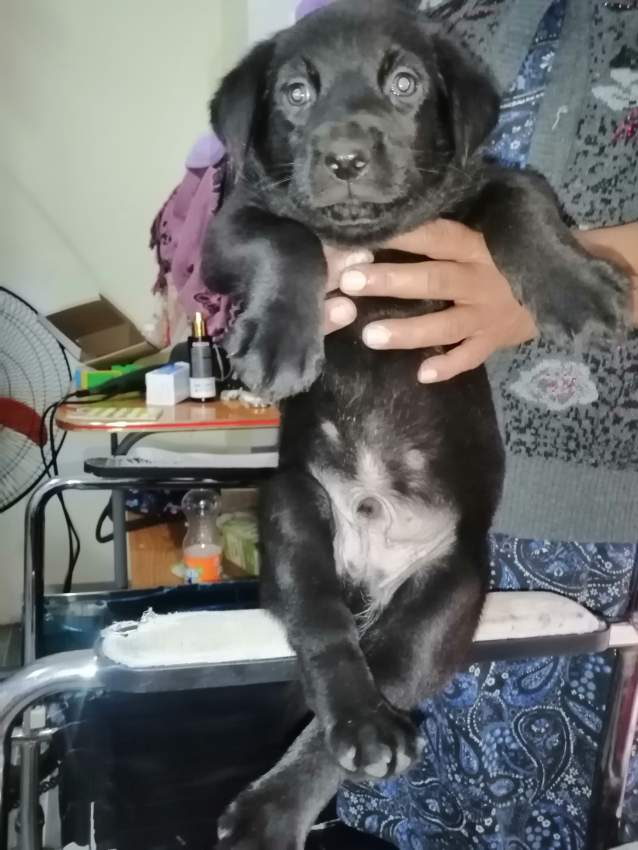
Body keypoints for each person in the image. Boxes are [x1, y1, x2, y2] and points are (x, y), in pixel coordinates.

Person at [296, 0, 638, 847]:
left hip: (580, 510)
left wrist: (554, 277)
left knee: (529, 812)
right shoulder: (435, 26)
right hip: (381, 501)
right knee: (395, 803)